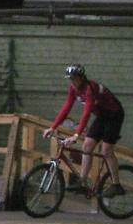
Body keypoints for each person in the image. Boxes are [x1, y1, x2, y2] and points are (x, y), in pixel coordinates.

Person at [42, 64, 125, 197]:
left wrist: (76, 135)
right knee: (87, 146)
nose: (72, 82)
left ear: (81, 78)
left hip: (114, 115)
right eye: (70, 79)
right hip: (102, 116)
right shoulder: (73, 89)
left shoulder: (89, 89)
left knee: (106, 150)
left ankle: (116, 185)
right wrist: (53, 127)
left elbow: (86, 113)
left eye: (74, 78)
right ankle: (82, 182)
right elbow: (66, 107)